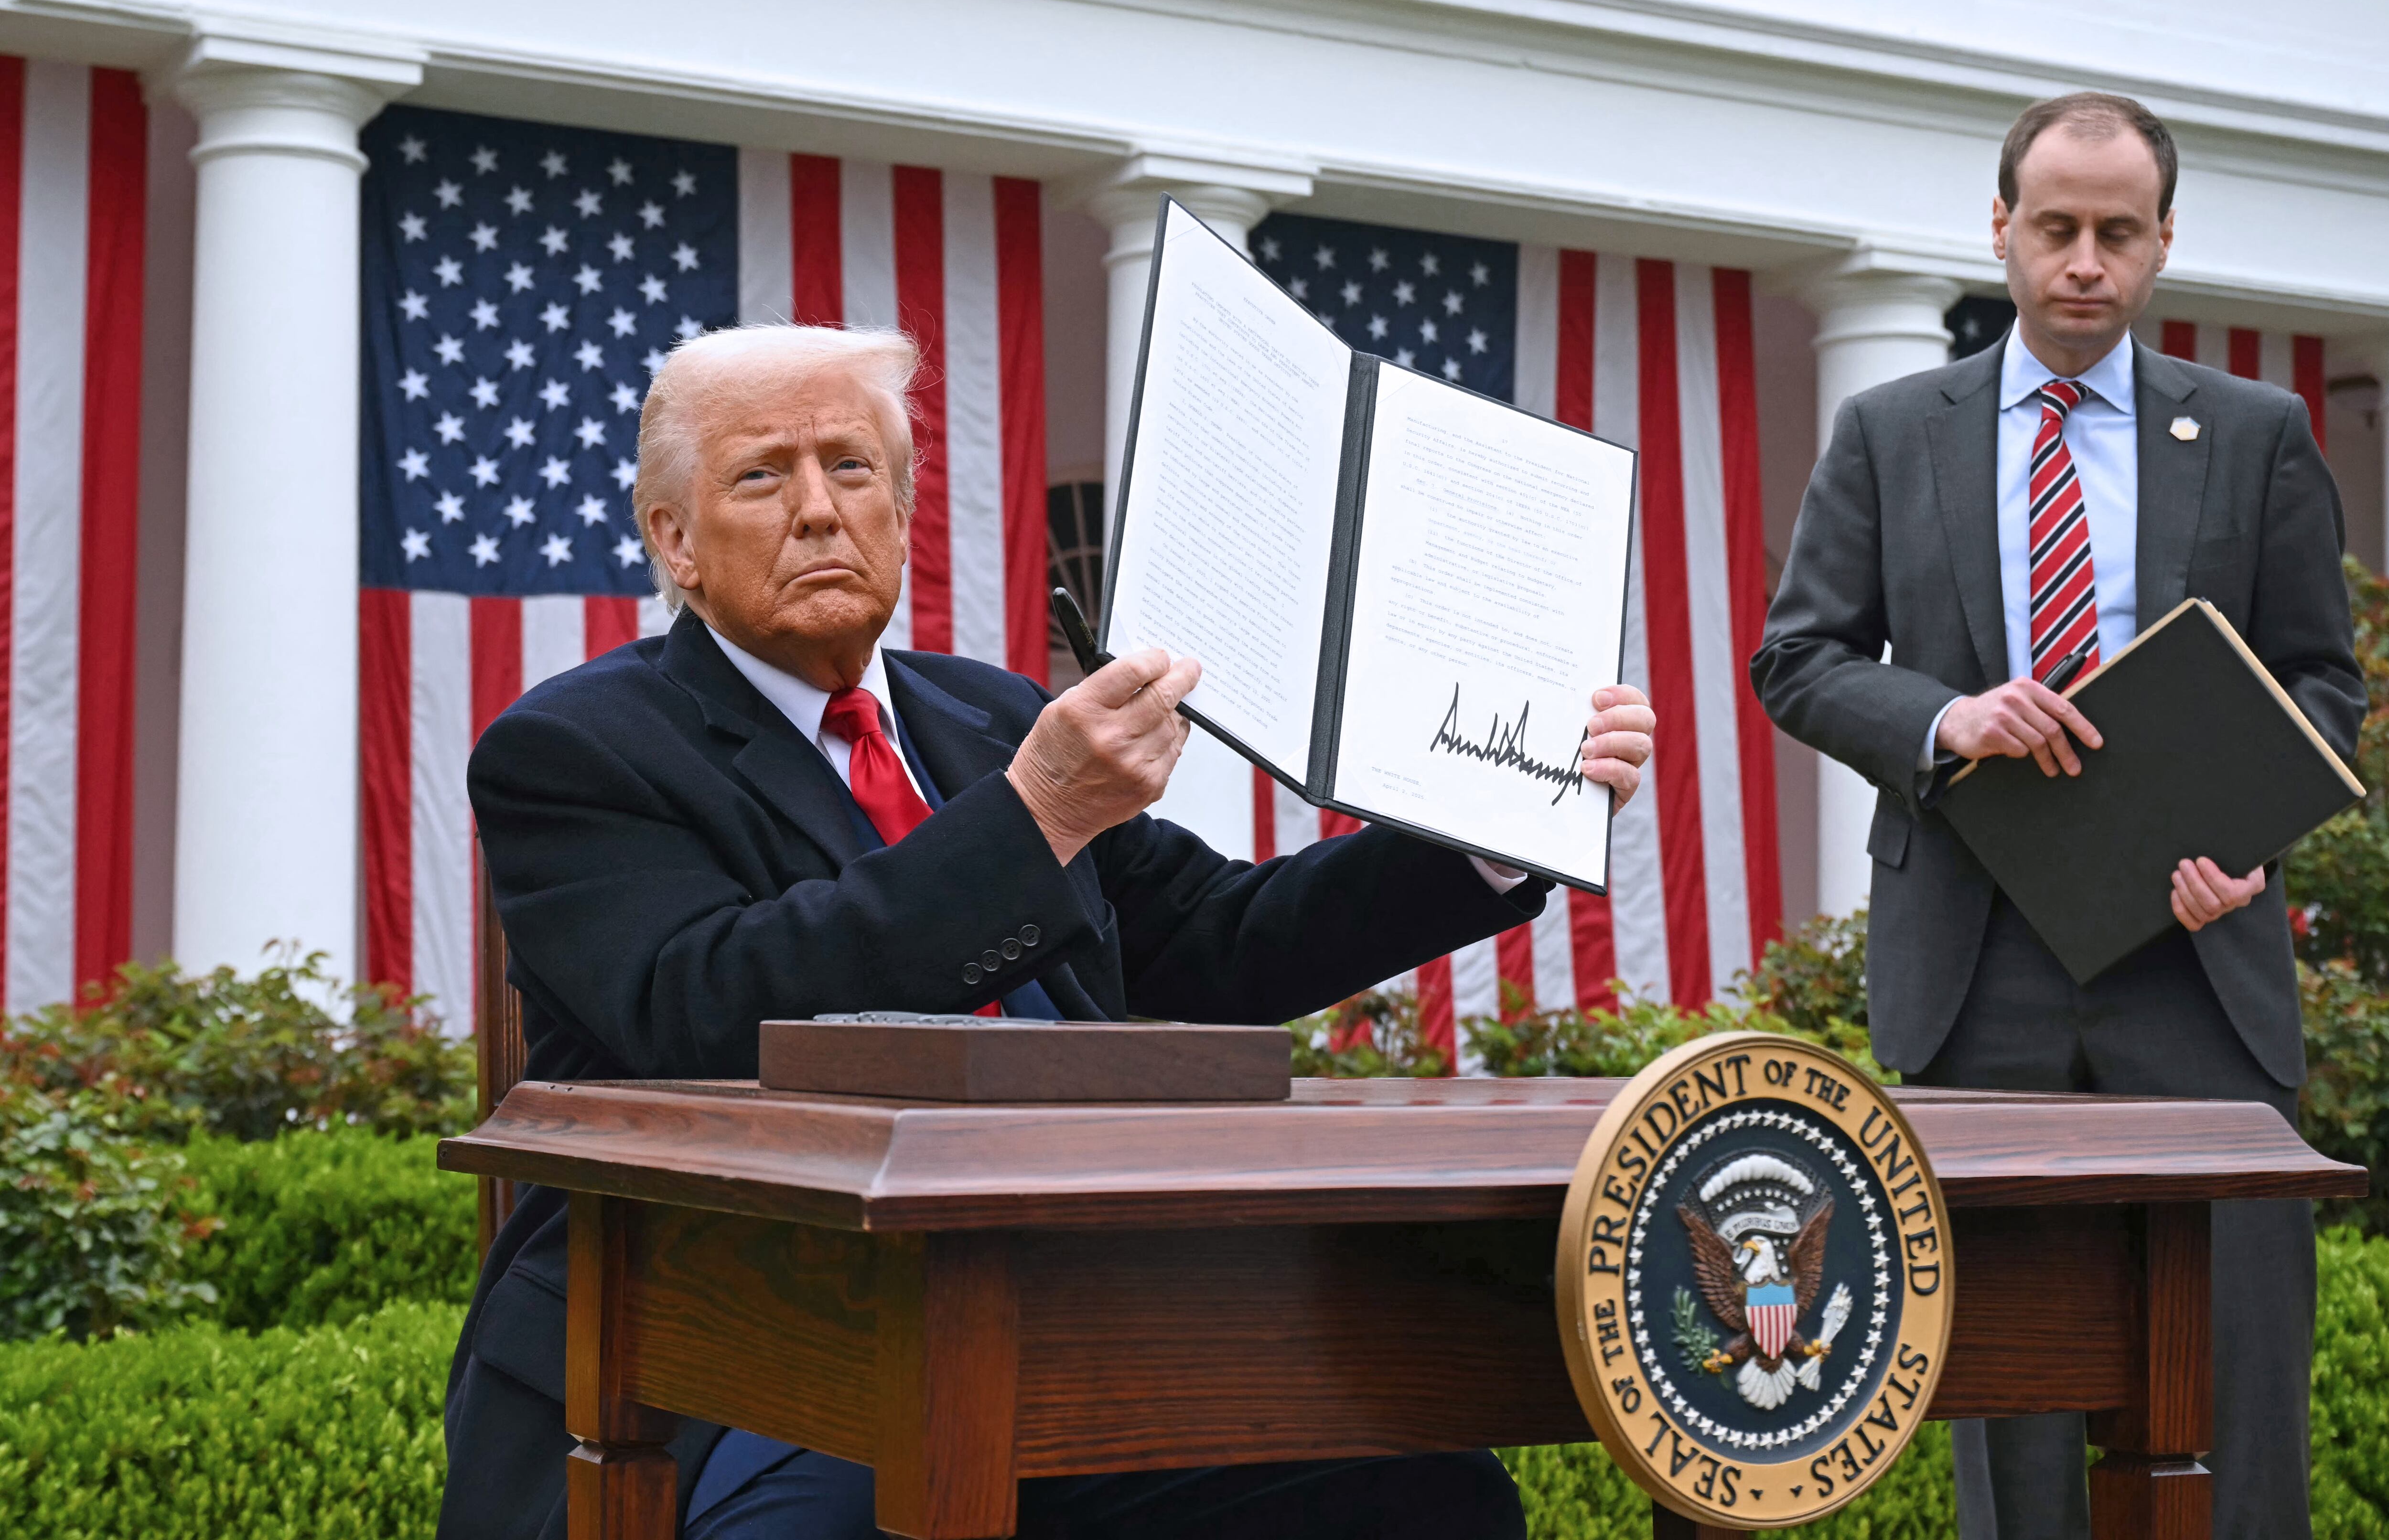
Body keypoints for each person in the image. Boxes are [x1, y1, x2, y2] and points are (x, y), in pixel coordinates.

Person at [438, 322, 1657, 1540]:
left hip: (1076, 1307)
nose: (819, 510)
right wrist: (1038, 815)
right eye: (764, 474)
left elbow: (1218, 946)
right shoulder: (579, 748)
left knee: (1423, 1499)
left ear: (904, 510)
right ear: (675, 542)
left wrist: (1494, 828)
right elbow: (704, 1011)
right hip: (739, 1336)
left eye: (852, 468)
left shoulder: (988, 715)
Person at [1753, 92, 2362, 1539]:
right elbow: (1799, 658)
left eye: (2117, 232)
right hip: (1981, 974)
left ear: (2162, 243)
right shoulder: (1892, 429)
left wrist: (2253, 838)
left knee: (2240, 1399)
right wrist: (1944, 718)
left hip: (2198, 964)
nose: (2084, 260)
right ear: (2002, 230)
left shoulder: (2261, 433)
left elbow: (2323, 683)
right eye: (2056, 228)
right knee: (2012, 1411)